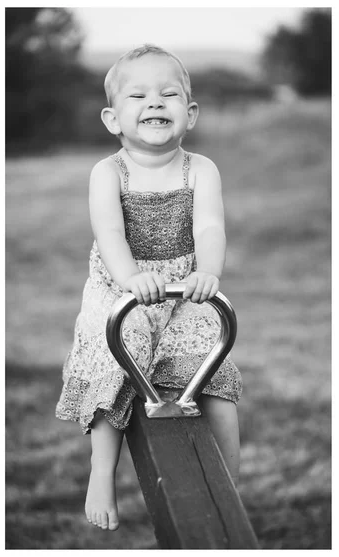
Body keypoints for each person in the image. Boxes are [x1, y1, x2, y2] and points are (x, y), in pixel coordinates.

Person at [55, 45, 242, 532]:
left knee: (214, 362)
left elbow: (210, 228)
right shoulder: (108, 172)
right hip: (121, 285)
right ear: (113, 118)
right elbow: (110, 234)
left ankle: (228, 484)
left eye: (169, 94)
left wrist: (208, 273)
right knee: (121, 349)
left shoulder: (201, 169)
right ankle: (102, 473)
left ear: (191, 113)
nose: (155, 103)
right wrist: (132, 280)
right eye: (139, 95)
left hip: (184, 288)